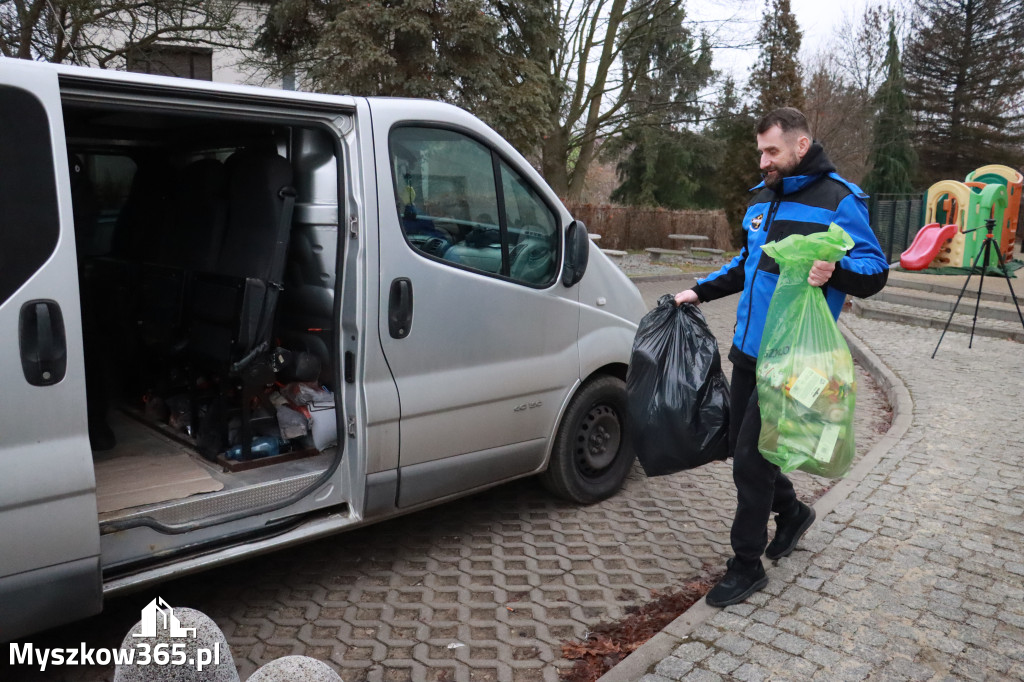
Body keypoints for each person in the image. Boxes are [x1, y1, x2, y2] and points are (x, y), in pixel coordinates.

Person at [675, 107, 888, 607]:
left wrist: (833, 269)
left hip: (793, 360)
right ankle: (792, 513)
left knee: (752, 459)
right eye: (760, 151)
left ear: (800, 145)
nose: (763, 160)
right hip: (748, 350)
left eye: (771, 151)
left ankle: (746, 566)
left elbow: (875, 269)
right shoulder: (764, 200)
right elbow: (745, 265)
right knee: (743, 447)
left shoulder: (838, 199)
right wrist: (696, 293)